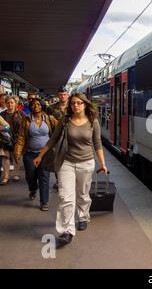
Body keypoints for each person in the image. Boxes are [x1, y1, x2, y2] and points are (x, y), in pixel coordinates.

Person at [33, 93, 107, 248]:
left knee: (82, 194)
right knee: (65, 197)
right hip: (66, 163)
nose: (76, 106)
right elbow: (53, 139)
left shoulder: (93, 121)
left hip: (86, 163)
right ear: (70, 105)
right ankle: (66, 231)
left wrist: (102, 163)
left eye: (79, 103)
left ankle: (82, 217)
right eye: (73, 103)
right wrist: (40, 155)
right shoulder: (65, 120)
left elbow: (97, 142)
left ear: (85, 104)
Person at [14, 98, 57, 211]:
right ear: (30, 107)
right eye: (33, 104)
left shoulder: (49, 118)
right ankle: (33, 189)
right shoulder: (26, 119)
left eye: (38, 104)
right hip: (30, 153)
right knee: (30, 176)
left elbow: (58, 131)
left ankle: (44, 201)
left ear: (42, 106)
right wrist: (17, 152)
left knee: (44, 176)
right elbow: (21, 137)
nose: (36, 106)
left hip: (45, 154)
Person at [46, 85, 69, 191]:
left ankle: (67, 180)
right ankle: (59, 180)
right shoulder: (51, 108)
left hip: (70, 137)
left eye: (64, 94)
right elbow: (47, 122)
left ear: (67, 95)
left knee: (69, 159)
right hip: (56, 137)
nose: (62, 97)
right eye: (60, 95)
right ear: (58, 95)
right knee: (57, 159)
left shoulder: (73, 106)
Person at [0, 96, 26, 183]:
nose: (10, 104)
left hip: (17, 138)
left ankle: (16, 174)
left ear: (15, 104)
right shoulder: (2, 114)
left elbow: (26, 125)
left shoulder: (21, 114)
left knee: (16, 157)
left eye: (12, 102)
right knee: (5, 157)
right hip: (4, 139)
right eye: (8, 102)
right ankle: (6, 177)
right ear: (5, 103)